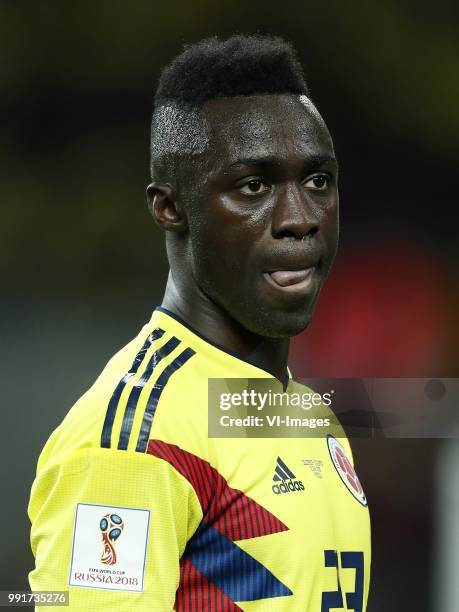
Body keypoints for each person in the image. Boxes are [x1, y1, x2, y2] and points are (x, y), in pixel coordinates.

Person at [28, 34, 371, 610]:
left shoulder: (312, 417)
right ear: (170, 207)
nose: (300, 219)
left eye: (318, 181)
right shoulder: (135, 443)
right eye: (253, 186)